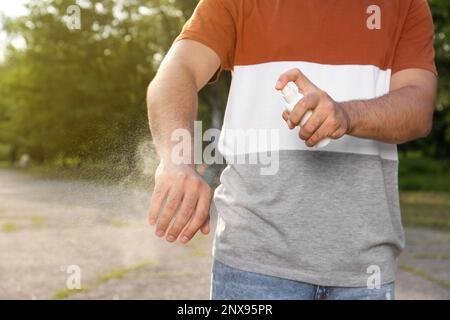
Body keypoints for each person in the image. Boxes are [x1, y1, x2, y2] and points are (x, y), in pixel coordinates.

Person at [146, 0, 437, 300]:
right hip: (252, 264)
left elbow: (419, 107)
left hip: (364, 268)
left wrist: (349, 115)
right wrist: (177, 159)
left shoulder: (407, 4)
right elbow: (175, 73)